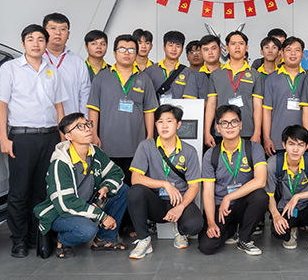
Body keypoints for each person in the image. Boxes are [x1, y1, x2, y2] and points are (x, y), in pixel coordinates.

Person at [0, 24, 67, 257]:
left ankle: (37, 236)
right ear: (23, 43)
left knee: (43, 191)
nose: (36, 44)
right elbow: (1, 105)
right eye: (31, 39)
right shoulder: (10, 69)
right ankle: (19, 240)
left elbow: (59, 107)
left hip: (50, 137)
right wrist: (3, 138)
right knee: (19, 191)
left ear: (46, 44)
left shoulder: (52, 70)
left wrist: (63, 139)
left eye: (40, 39)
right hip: (22, 138)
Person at [33, 113, 128, 258]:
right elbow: (65, 204)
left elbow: (116, 172)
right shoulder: (60, 163)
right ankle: (63, 240)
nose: (87, 129)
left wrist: (106, 187)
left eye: (88, 124)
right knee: (86, 231)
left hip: (86, 203)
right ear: (68, 136)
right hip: (61, 212)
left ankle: (104, 239)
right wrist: (102, 217)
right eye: (80, 127)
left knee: (122, 190)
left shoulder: (95, 152)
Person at [126, 105, 203, 258]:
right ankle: (144, 239)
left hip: (180, 199)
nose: (164, 125)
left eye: (169, 121)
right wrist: (164, 184)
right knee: (134, 191)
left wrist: (180, 207)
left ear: (178, 124)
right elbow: (135, 178)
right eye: (160, 122)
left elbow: (194, 186)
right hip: (156, 203)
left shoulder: (189, 151)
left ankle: (181, 232)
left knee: (195, 225)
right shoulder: (146, 146)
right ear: (156, 125)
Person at [87, 35, 157, 184]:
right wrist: (93, 134)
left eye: (131, 50)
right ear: (114, 53)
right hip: (107, 144)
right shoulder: (102, 77)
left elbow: (149, 110)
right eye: (122, 49)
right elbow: (93, 109)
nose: (127, 53)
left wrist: (150, 136)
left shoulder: (144, 79)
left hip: (136, 144)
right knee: (109, 184)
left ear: (136, 54)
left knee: (133, 185)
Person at [199, 105, 268, 256]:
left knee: (261, 196)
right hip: (221, 208)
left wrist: (229, 197)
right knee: (207, 246)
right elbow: (208, 192)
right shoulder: (211, 155)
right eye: (224, 123)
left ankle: (244, 238)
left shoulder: (254, 148)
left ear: (240, 125)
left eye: (234, 122)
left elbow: (261, 181)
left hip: (244, 204)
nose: (229, 126)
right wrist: (211, 222)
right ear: (217, 128)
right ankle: (230, 230)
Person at [266, 125, 308, 257]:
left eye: (301, 145)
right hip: (286, 209)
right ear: (284, 144)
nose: (295, 149)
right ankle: (292, 228)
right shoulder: (273, 163)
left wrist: (297, 196)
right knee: (278, 233)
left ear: (306, 146)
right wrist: (276, 216)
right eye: (291, 144)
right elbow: (270, 196)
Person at [203, 31, 264, 146]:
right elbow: (211, 105)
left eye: (241, 43)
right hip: (222, 131)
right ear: (226, 48)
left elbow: (257, 106)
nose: (237, 47)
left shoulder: (256, 75)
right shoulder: (216, 75)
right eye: (233, 44)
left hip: (247, 131)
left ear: (246, 47)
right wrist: (207, 132)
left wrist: (257, 132)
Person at [262, 36, 306, 156]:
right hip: (277, 141)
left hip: (303, 141)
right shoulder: (271, 79)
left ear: (302, 54)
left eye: (297, 50)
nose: (293, 53)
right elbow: (266, 111)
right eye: (288, 50)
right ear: (281, 53)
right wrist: (266, 138)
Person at [43, 13, 91, 115]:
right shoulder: (37, 58)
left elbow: (85, 94)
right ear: (44, 32)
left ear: (68, 34)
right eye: (53, 28)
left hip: (69, 121)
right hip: (40, 121)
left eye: (63, 29)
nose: (58, 33)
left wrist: (84, 120)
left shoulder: (77, 61)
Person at [145, 30, 194, 102]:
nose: (174, 49)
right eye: (170, 45)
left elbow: (189, 100)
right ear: (164, 47)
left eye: (178, 46)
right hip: (156, 109)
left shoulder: (188, 73)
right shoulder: (150, 71)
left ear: (182, 49)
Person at [184, 34, 222, 101]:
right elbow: (189, 102)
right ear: (201, 52)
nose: (210, 52)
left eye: (213, 48)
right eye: (206, 49)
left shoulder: (228, 72)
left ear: (220, 50)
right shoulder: (194, 75)